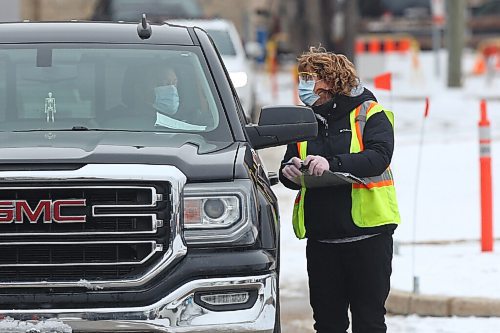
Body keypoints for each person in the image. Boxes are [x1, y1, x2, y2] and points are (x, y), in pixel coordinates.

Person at [279, 46, 400, 333]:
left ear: (332, 81)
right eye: (302, 78)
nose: (304, 85)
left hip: (368, 237)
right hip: (323, 241)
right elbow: (288, 165)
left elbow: (379, 157)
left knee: (368, 322)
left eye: (310, 78)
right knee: (327, 324)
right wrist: (290, 170)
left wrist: (332, 163)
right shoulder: (305, 120)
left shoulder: (370, 113)